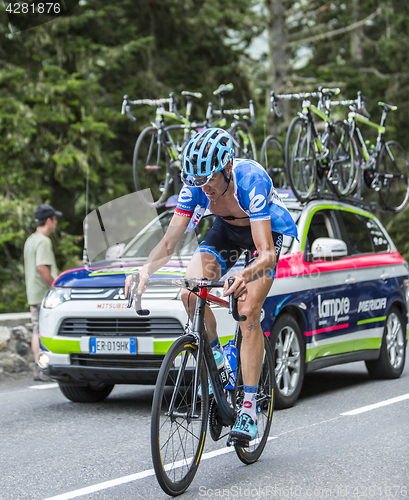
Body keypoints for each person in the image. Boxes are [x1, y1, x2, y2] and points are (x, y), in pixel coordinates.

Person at [125, 128, 297, 443]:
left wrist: (244, 275)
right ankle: (218, 364)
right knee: (189, 293)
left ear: (228, 168)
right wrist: (144, 271)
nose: (204, 189)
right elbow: (168, 244)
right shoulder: (196, 188)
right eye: (196, 181)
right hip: (226, 232)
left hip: (264, 236)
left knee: (247, 312)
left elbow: (268, 254)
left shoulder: (251, 181)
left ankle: (248, 409)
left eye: (210, 180)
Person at [24, 204, 62, 381]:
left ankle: (38, 369)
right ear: (49, 220)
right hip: (44, 294)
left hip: (33, 293)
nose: (56, 223)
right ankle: (43, 370)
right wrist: (54, 288)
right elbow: (42, 268)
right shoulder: (43, 241)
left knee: (36, 330)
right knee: (44, 331)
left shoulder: (30, 240)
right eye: (55, 219)